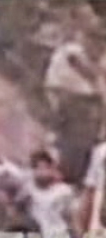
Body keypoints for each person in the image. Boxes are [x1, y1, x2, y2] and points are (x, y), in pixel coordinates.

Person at [44, 28, 105, 182]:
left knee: (80, 135)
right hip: (65, 93)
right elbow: (78, 63)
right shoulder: (73, 50)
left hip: (80, 100)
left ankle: (74, 169)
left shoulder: (96, 61)